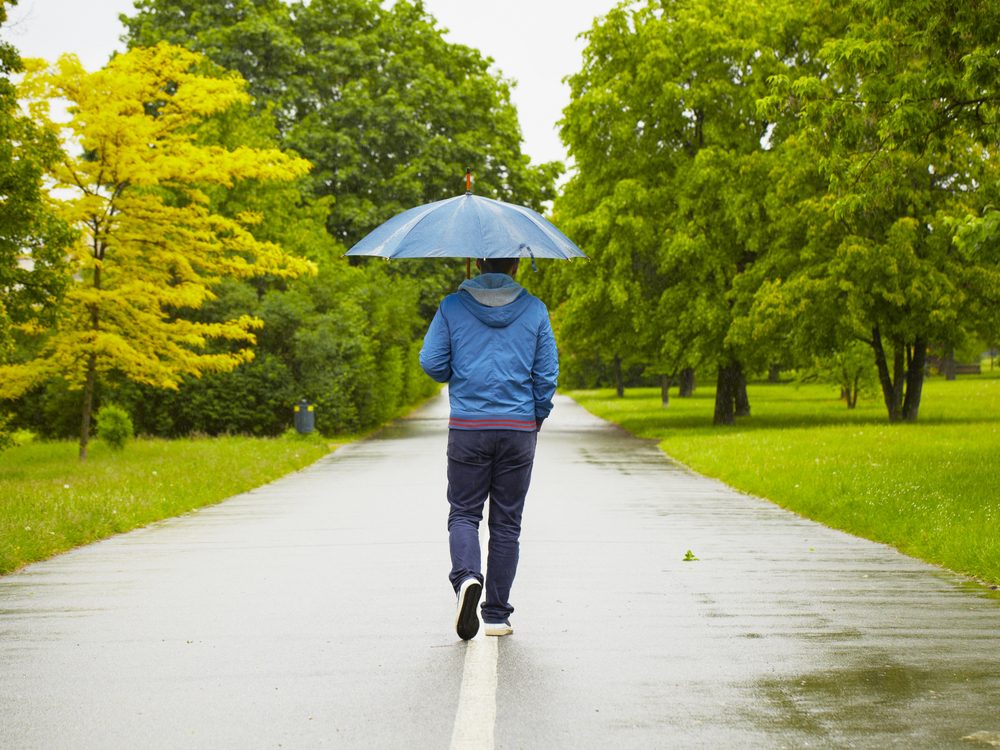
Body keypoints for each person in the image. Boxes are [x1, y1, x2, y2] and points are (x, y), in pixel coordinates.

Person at [419, 257, 558, 640]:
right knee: (507, 524)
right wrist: (536, 418)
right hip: (517, 428)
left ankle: (466, 577)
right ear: (515, 265)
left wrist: (459, 358)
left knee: (464, 513)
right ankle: (496, 615)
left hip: (468, 427)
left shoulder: (452, 306)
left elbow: (432, 363)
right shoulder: (534, 309)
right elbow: (546, 375)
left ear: (478, 263)